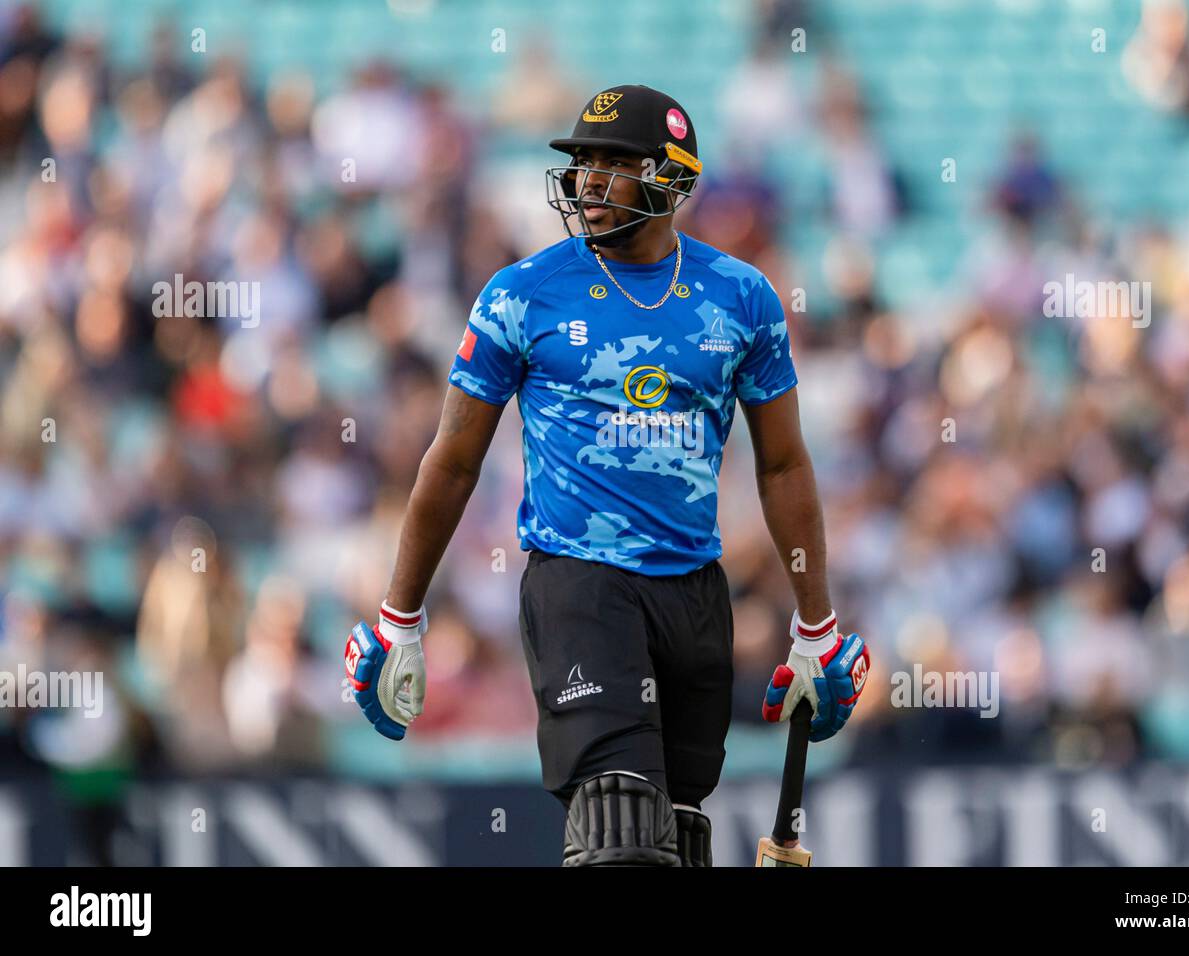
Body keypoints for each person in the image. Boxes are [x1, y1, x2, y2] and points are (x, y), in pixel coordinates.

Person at [342, 85, 869, 866]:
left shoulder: (744, 299)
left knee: (678, 841)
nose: (588, 180)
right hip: (579, 588)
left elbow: (785, 464)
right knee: (619, 836)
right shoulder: (521, 295)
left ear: (670, 178)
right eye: (582, 162)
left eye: (612, 163)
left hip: (695, 594)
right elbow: (451, 462)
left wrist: (816, 627)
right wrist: (400, 617)